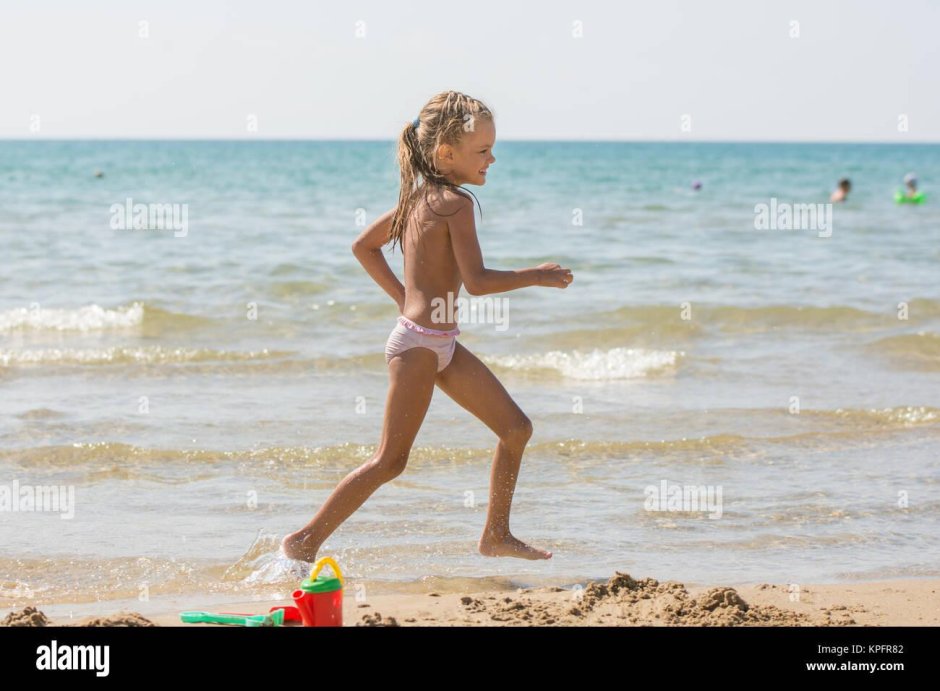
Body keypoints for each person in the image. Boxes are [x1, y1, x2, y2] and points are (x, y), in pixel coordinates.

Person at [281, 91, 572, 564]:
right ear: (446, 153)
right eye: (483, 151)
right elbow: (475, 282)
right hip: (418, 346)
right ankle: (303, 541)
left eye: (492, 149)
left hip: (439, 343)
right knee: (389, 461)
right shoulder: (454, 204)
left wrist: (405, 300)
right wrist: (535, 276)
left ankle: (496, 535)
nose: (492, 158)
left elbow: (362, 246)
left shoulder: (417, 201)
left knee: (516, 428)